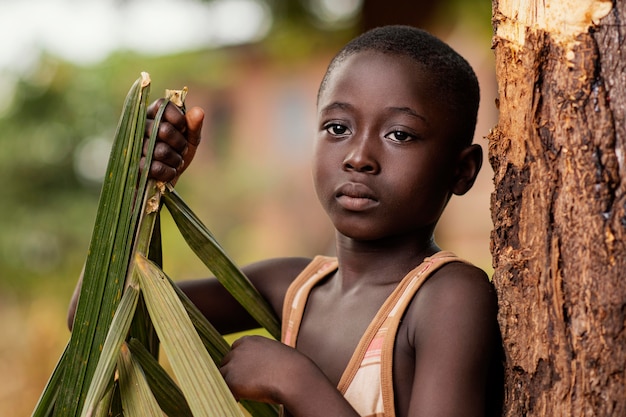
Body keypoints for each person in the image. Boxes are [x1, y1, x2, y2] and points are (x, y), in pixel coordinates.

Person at [70, 25, 503, 417]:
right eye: (337, 128)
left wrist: (294, 381)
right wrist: (143, 184)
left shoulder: (448, 298)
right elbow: (95, 318)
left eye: (399, 135)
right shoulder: (291, 287)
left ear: (462, 170)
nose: (358, 157)